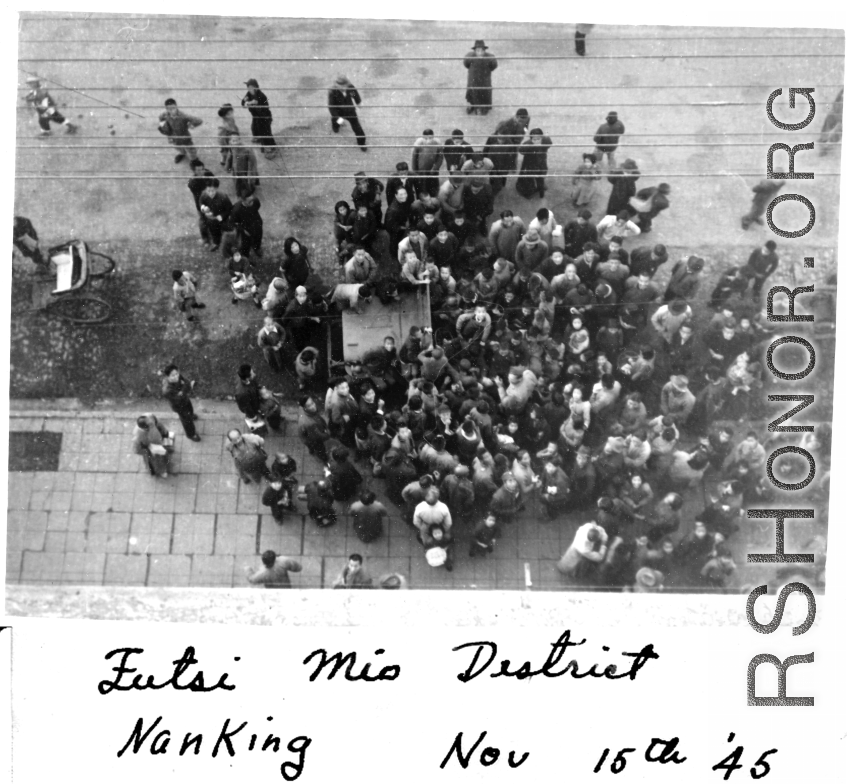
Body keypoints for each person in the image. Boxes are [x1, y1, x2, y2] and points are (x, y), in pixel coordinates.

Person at [160, 364, 201, 441]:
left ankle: (191, 416)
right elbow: (179, 398)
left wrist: (183, 390)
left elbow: (186, 382)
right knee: (186, 420)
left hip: (185, 399)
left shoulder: (178, 376)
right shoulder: (167, 390)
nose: (176, 377)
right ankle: (191, 434)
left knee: (190, 409)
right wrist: (186, 388)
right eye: (173, 375)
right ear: (167, 376)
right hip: (179, 406)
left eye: (176, 374)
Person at [328, 74, 367, 150]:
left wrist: (358, 102)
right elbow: (331, 107)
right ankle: (335, 126)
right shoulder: (332, 92)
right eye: (341, 86)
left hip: (350, 111)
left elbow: (355, 95)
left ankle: (362, 143)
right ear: (336, 85)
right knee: (336, 121)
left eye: (345, 85)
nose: (343, 87)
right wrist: (338, 118)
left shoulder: (350, 87)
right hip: (339, 112)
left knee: (357, 127)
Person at [241, 78, 276, 157]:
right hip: (256, 116)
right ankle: (257, 137)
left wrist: (250, 103)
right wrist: (244, 100)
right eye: (248, 87)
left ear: (256, 87)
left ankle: (270, 149)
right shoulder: (249, 94)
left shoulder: (261, 96)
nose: (249, 89)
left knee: (265, 133)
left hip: (264, 117)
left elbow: (257, 105)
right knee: (254, 128)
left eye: (251, 87)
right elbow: (243, 103)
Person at [198, 178, 233, 253]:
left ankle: (227, 243)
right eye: (208, 191)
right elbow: (201, 202)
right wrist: (203, 208)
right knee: (213, 231)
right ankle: (216, 243)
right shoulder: (204, 195)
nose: (210, 193)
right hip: (210, 218)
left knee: (228, 230)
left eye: (212, 191)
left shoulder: (223, 197)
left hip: (222, 219)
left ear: (216, 189)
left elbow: (229, 209)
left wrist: (222, 216)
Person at [463, 39, 498, 114]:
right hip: (473, 79)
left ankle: (484, 108)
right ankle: (472, 105)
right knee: (472, 92)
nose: (479, 53)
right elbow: (466, 64)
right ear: (475, 50)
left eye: (481, 50)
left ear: (484, 50)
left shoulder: (490, 58)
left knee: (484, 92)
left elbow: (494, 66)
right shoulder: (470, 57)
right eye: (477, 50)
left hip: (484, 80)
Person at [516, 128, 553, 198]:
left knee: (540, 178)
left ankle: (539, 191)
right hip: (531, 164)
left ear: (542, 137)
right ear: (531, 139)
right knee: (529, 179)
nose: (536, 141)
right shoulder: (528, 144)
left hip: (539, 164)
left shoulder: (545, 140)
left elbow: (549, 143)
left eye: (538, 139)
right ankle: (529, 193)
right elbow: (521, 150)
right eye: (534, 140)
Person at [230, 189, 264, 258]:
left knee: (258, 238)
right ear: (243, 200)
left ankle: (257, 248)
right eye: (249, 201)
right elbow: (232, 223)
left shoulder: (255, 201)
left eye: (252, 200)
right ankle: (246, 257)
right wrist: (242, 229)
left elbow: (257, 207)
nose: (252, 203)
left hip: (257, 224)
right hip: (246, 229)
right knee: (245, 245)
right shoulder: (236, 210)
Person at [411, 129, 444, 198]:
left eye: (430, 138)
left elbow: (440, 158)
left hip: (433, 171)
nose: (428, 140)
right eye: (426, 138)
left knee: (433, 188)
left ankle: (433, 203)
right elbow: (414, 158)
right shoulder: (418, 144)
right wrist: (415, 171)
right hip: (421, 171)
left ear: (433, 137)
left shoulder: (437, 144)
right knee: (422, 188)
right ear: (423, 137)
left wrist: (435, 168)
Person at [216, 103, 240, 172]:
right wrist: (223, 143)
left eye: (232, 112)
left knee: (232, 151)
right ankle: (224, 160)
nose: (231, 115)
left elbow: (234, 126)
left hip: (232, 137)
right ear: (224, 116)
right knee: (225, 151)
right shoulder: (223, 126)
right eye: (229, 114)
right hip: (226, 140)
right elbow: (220, 136)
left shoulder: (231, 119)